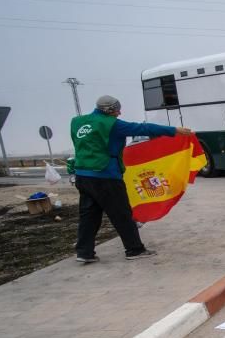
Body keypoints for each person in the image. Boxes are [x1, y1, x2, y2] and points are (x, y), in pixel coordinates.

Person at [70, 95, 193, 263]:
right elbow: (143, 128)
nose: (119, 113)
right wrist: (174, 131)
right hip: (105, 176)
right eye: (116, 109)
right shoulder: (112, 124)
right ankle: (134, 249)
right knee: (121, 214)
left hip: (83, 176)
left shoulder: (77, 122)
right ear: (108, 110)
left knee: (88, 215)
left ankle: (84, 252)